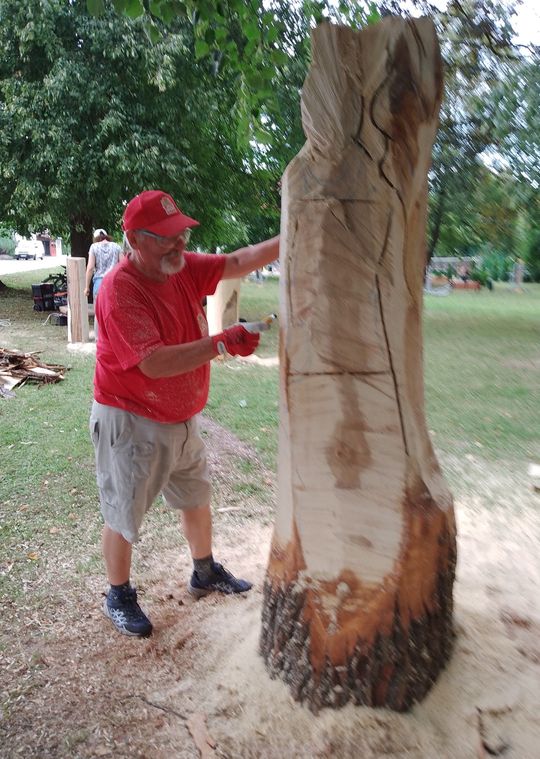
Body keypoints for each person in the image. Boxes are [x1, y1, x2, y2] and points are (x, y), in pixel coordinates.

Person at [89, 189, 280, 638]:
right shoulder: (121, 290)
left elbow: (237, 261)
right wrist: (221, 342)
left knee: (195, 496)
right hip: (132, 419)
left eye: (181, 234)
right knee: (123, 511)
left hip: (180, 415)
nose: (179, 244)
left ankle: (204, 570)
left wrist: (292, 231)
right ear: (135, 239)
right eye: (166, 238)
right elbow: (153, 362)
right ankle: (116, 595)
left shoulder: (178, 267)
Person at [84, 229, 123, 338]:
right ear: (106, 236)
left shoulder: (94, 247)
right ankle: (114, 338)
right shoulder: (116, 246)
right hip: (114, 283)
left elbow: (90, 267)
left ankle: (99, 339)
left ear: (95, 238)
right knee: (114, 312)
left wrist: (87, 287)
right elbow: (123, 265)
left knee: (99, 314)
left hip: (99, 284)